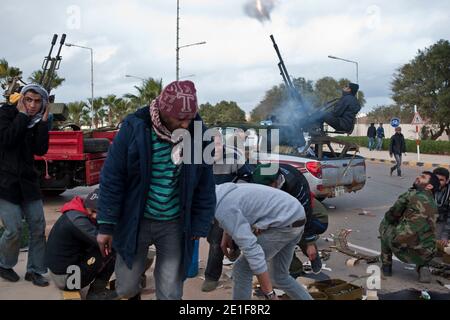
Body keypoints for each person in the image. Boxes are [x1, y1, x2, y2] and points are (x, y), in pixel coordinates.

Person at [96, 80, 216, 300]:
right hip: (136, 219)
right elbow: (112, 177)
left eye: (189, 118)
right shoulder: (134, 127)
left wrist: (200, 223)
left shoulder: (198, 135)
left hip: (173, 223)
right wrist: (106, 225)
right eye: (180, 119)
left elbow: (205, 185)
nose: (185, 124)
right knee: (126, 287)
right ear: (163, 110)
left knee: (170, 291)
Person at [215, 182, 313, 300]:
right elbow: (235, 212)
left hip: (284, 224)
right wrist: (227, 233)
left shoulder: (222, 209)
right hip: (296, 215)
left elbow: (253, 252)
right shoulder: (219, 192)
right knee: (279, 276)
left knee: (242, 270)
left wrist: (269, 294)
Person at [0, 84, 51, 287]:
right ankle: (4, 264)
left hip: (28, 182)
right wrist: (21, 116)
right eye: (28, 99)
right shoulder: (6, 113)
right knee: (13, 228)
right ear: (21, 98)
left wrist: (43, 123)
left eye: (38, 101)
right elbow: (7, 141)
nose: (32, 105)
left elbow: (40, 149)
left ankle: (35, 271)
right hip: (5, 181)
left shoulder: (39, 120)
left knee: (38, 226)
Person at [251, 163, 328, 277]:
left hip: (301, 212)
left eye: (267, 188)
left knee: (293, 233)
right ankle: (294, 270)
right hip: (279, 212)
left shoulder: (295, 183)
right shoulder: (258, 180)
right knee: (276, 238)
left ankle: (312, 254)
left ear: (275, 182)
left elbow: (306, 214)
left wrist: (310, 243)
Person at [202, 133, 252, 292]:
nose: (214, 149)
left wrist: (233, 192)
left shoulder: (234, 158)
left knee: (217, 242)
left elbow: (247, 177)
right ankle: (233, 245)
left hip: (229, 203)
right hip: (208, 205)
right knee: (213, 238)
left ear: (222, 145)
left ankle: (211, 277)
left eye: (217, 145)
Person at [46, 189, 117, 300]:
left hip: (62, 272)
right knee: (110, 248)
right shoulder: (78, 221)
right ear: (86, 205)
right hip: (67, 280)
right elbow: (108, 242)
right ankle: (97, 292)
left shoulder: (76, 210)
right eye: (92, 211)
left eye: (98, 212)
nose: (95, 216)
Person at [379, 172, 440, 283]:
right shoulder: (434, 203)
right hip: (427, 254)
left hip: (404, 251)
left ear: (429, 186)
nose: (418, 177)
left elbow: (391, 215)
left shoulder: (411, 194)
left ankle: (386, 266)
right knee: (425, 234)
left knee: (384, 225)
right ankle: (423, 267)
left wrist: (397, 222)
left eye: (422, 177)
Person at [433, 168, 450, 244]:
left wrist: (445, 234)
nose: (437, 182)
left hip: (444, 221)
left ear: (447, 181)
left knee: (439, 242)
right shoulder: (427, 188)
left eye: (441, 180)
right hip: (429, 220)